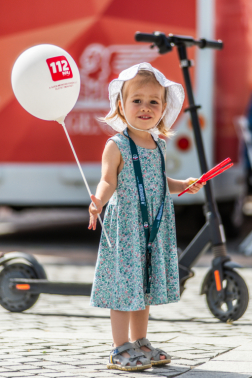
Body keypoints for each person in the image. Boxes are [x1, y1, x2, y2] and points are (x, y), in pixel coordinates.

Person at [88, 62, 205, 372]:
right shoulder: (117, 145)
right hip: (127, 226)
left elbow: (160, 180)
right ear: (121, 106)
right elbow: (108, 180)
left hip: (152, 225)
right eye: (136, 100)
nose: (145, 107)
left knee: (143, 286)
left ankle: (140, 341)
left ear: (164, 108)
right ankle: (119, 348)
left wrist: (183, 186)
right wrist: (98, 200)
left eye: (154, 101)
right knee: (124, 286)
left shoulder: (158, 144)